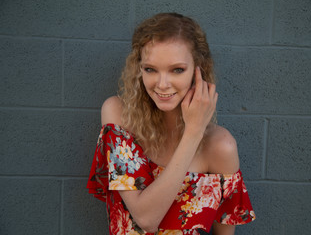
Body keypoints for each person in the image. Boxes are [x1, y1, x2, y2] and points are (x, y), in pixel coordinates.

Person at [87, 12, 255, 235]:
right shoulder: (119, 115)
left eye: (177, 70)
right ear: (139, 70)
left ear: (199, 70)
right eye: (150, 69)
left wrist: (195, 131)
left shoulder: (220, 147)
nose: (163, 84)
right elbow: (145, 218)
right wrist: (193, 134)